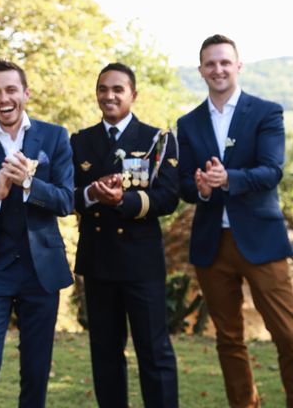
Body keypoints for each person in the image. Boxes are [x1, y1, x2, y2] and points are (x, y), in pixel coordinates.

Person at [177, 34, 293, 407]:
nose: (218, 69)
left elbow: (272, 171)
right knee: (228, 339)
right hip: (213, 245)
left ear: (238, 65)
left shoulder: (266, 112)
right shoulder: (189, 122)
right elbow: (185, 187)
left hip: (262, 240)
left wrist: (229, 179)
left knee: (288, 334)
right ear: (201, 70)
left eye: (225, 62)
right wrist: (203, 189)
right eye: (210, 64)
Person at [0, 59, 74, 408]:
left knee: (36, 370)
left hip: (39, 272)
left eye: (11, 89)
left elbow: (66, 200)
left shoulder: (55, 137)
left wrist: (29, 182)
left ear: (25, 93)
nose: (3, 98)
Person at [70, 62, 179, 407]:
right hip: (99, 261)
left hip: (141, 263)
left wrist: (125, 201)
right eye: (103, 89)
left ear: (133, 94)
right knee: (104, 354)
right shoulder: (80, 141)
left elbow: (168, 197)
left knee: (154, 351)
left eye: (118, 89)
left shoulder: (157, 140)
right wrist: (91, 194)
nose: (109, 95)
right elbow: (67, 195)